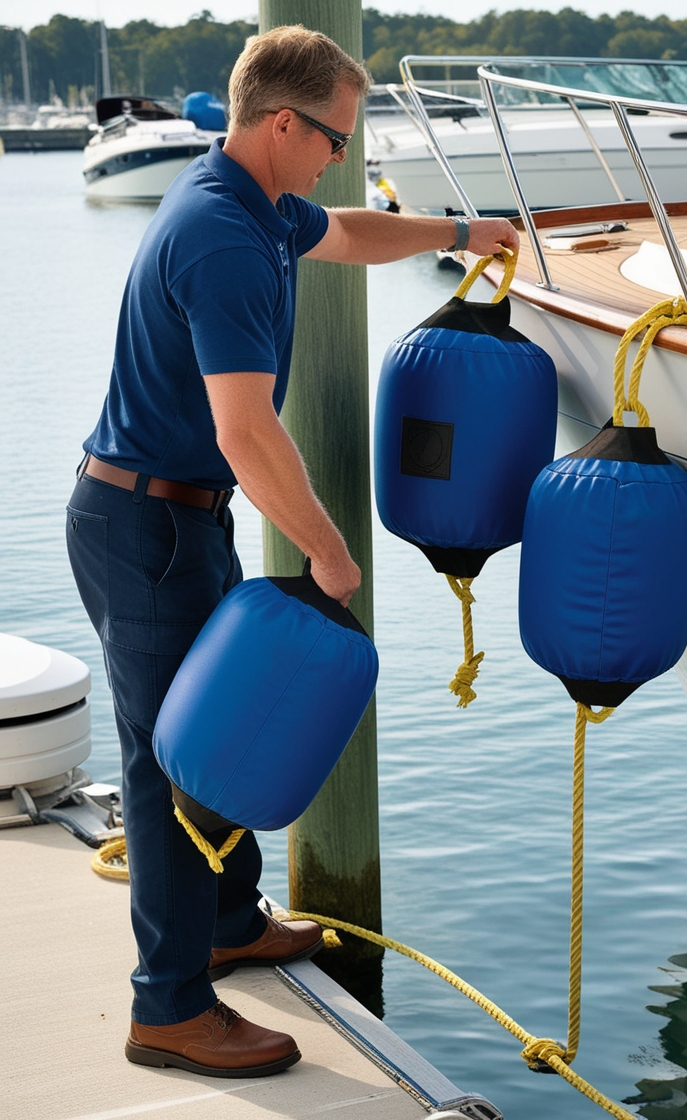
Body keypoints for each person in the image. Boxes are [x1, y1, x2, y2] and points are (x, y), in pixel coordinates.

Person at [66, 25, 517, 1079]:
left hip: (178, 519)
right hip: (147, 526)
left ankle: (226, 920)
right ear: (282, 122)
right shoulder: (222, 239)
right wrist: (328, 551)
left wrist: (461, 230)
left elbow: (350, 236)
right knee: (173, 765)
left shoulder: (256, 206)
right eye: (331, 140)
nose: (337, 160)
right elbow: (247, 432)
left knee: (209, 732)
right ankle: (169, 1008)